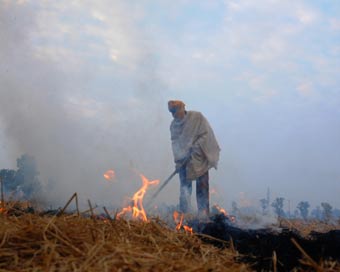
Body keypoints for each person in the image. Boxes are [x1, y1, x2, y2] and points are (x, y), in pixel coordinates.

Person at [168, 100, 220, 217]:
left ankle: (203, 215)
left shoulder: (197, 117)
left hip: (200, 158)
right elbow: (174, 143)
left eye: (176, 112)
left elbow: (205, 135)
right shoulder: (173, 125)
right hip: (183, 161)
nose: (174, 115)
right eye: (172, 113)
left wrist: (194, 149)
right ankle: (184, 215)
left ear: (182, 109)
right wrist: (178, 161)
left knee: (202, 187)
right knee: (184, 189)